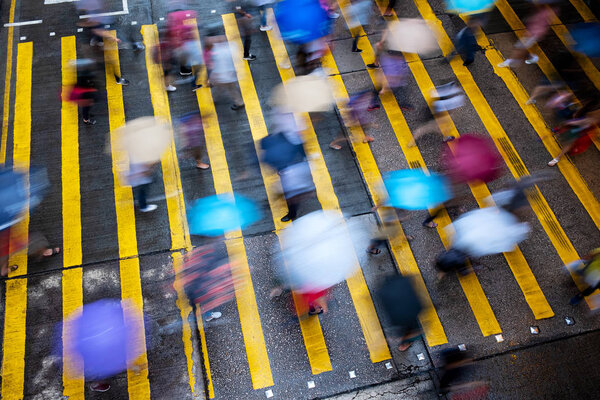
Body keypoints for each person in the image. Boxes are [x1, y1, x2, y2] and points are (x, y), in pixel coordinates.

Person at [497, 4, 558, 68]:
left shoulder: (545, 11)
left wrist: (530, 30)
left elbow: (539, 22)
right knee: (520, 48)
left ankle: (509, 61)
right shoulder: (546, 11)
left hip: (533, 33)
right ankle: (530, 58)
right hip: (533, 33)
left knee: (518, 47)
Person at [408, 81, 465, 147]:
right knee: (429, 127)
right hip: (439, 113)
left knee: (433, 126)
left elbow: (432, 92)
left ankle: (445, 136)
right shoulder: (458, 97)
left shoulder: (448, 86)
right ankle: (412, 141)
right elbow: (452, 110)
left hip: (432, 107)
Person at [206, 34, 245, 110]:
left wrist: (212, 76)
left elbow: (213, 65)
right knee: (228, 88)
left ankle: (239, 103)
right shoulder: (231, 47)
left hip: (221, 75)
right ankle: (239, 102)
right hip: (230, 74)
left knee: (226, 88)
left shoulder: (215, 50)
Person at [64, 59, 98, 125]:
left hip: (86, 93)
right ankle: (86, 119)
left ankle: (86, 115)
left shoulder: (82, 75)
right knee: (86, 106)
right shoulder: (84, 77)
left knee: (87, 106)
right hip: (85, 94)